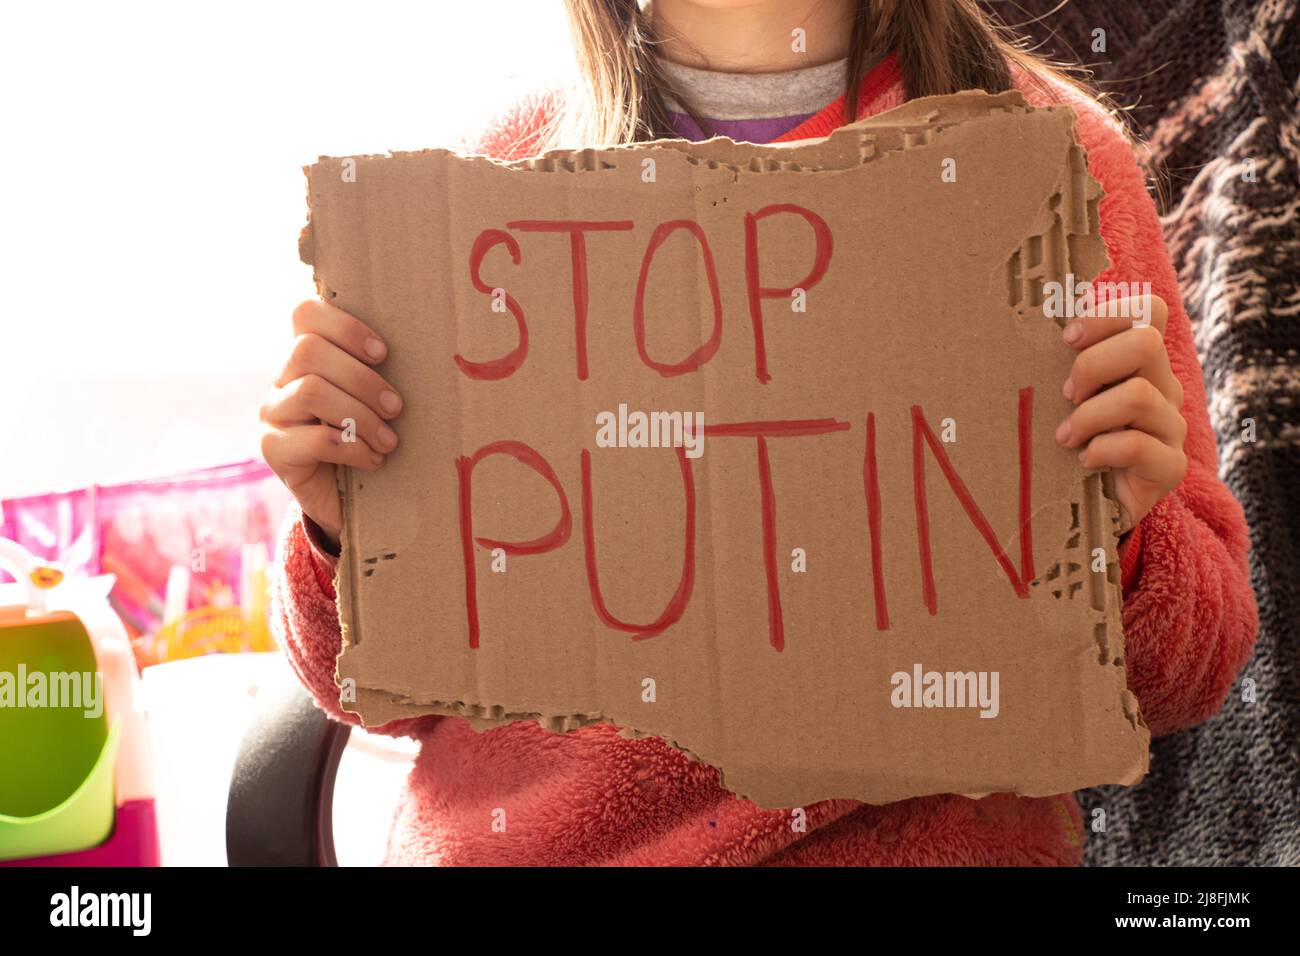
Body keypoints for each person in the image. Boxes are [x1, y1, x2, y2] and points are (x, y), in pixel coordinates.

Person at [258, 0, 1258, 865]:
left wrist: (1119, 539)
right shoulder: (477, 190)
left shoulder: (1054, 163)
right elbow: (368, 687)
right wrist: (339, 532)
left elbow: (1194, 664)